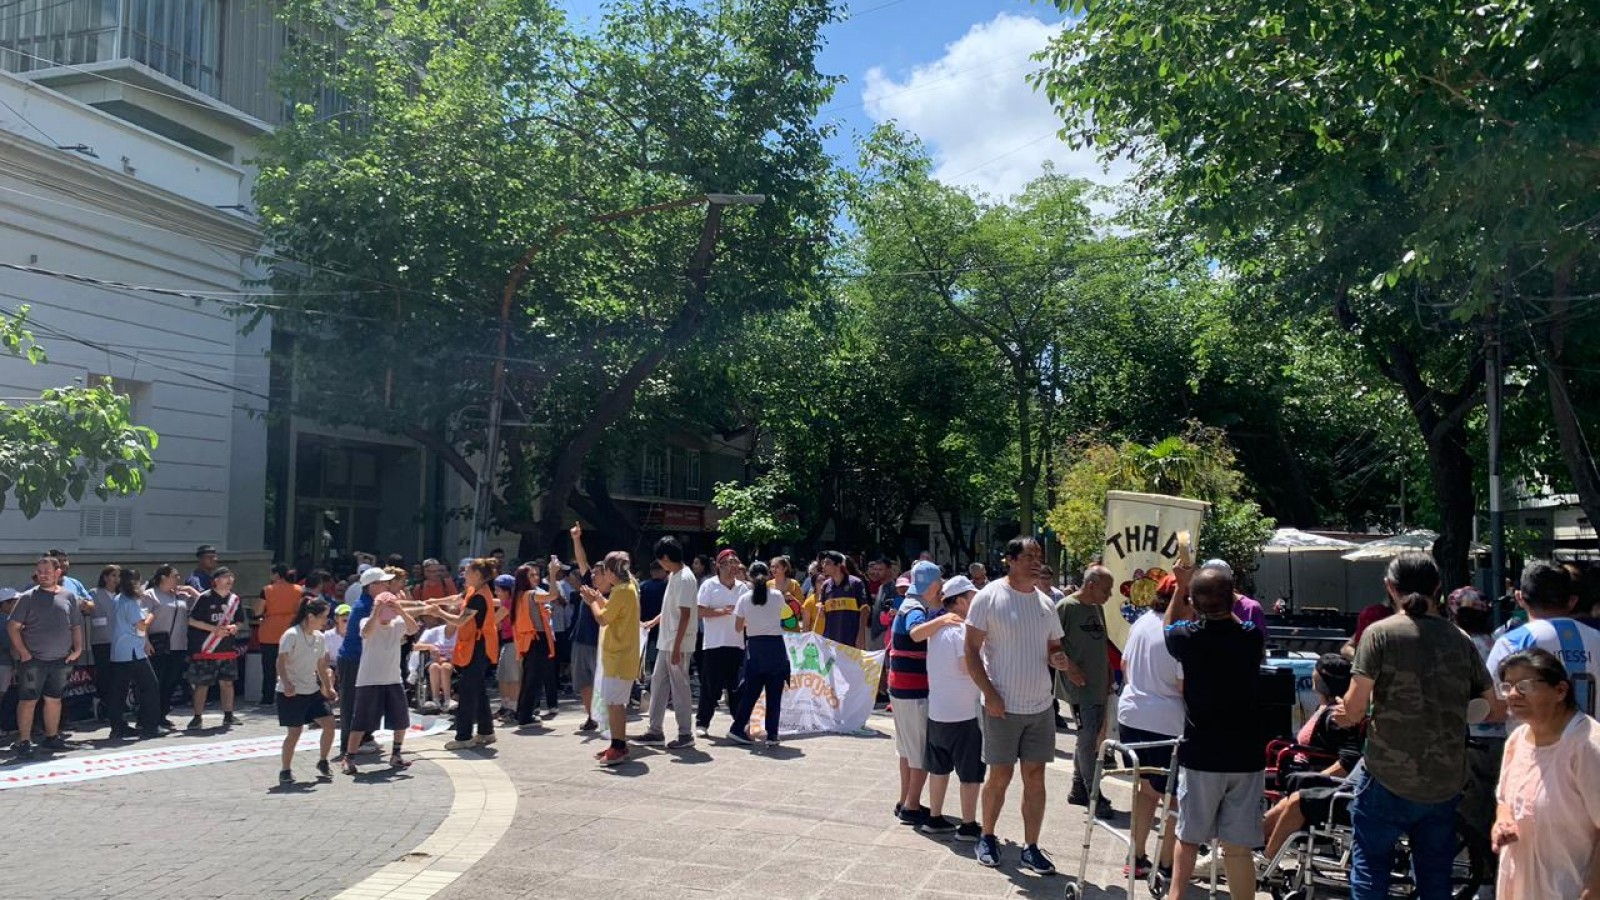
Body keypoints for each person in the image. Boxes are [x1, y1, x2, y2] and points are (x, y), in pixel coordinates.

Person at [1332, 552, 1501, 900]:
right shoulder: (1460, 639)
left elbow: (1354, 706)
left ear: (1389, 588)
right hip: (1444, 778)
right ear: (1438, 587)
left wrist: (1342, 715)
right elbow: (1494, 709)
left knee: (1370, 869)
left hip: (1386, 774)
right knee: (1436, 877)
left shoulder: (1379, 635)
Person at [964, 537, 1073, 873]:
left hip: (1040, 706)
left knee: (1036, 776)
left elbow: (1054, 645)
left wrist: (1059, 659)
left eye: (1038, 556)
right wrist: (990, 694)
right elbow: (970, 651)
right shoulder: (988, 597)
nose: (1036, 561)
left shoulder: (1046, 603)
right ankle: (987, 835)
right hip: (1002, 706)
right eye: (1028, 556)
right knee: (1000, 774)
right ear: (1009, 560)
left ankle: (1031, 846)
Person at [1160, 562, 1265, 900]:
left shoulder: (1186, 638)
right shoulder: (1251, 637)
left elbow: (1168, 626)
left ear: (1196, 602)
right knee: (1238, 847)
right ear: (1231, 600)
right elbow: (1237, 620)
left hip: (1202, 751)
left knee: (1188, 837)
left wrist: (1180, 585)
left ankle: (1176, 896)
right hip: (1245, 755)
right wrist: (1224, 600)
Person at [1491, 648, 1600, 899]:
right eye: (1507, 686)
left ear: (1560, 691)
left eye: (1525, 686)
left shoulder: (1587, 745)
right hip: (1521, 886)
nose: (1513, 695)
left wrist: (1593, 891)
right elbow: (1504, 799)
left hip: (1572, 888)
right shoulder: (1518, 740)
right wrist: (1503, 821)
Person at [1260, 654, 1365, 857]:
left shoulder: (1338, 716)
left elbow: (1349, 760)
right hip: (1300, 771)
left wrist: (1318, 779)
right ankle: (1240, 846)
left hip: (1318, 775)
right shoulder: (1325, 709)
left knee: (1294, 795)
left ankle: (1256, 854)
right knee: (1259, 778)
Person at [1117, 574, 1183, 880]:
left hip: (1132, 715)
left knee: (1144, 792)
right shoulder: (1178, 633)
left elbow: (1125, 666)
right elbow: (1185, 686)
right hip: (1166, 722)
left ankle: (1137, 856)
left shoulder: (1141, 622)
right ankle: (1167, 863)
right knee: (1173, 797)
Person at [915, 575, 984, 840]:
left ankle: (935, 817)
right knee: (970, 772)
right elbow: (967, 667)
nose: (975, 601)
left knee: (939, 768)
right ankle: (968, 824)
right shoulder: (961, 631)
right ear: (960, 601)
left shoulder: (938, 630)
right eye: (972, 597)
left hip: (939, 711)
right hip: (964, 714)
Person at [7, 557, 84, 757]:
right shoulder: (27, 597)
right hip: (34, 660)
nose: (43, 575)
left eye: (47, 572)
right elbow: (13, 626)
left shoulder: (68, 596)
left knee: (54, 699)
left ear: (58, 573)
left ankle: (52, 737)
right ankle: (24, 740)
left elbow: (76, 624)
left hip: (61, 659)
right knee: (28, 700)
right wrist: (23, 652)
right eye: (40, 572)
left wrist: (78, 648)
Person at [887, 560, 943, 824]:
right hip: (914, 690)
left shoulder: (905, 606)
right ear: (931, 585)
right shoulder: (915, 609)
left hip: (900, 687)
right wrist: (945, 621)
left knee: (907, 750)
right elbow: (916, 632)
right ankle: (912, 805)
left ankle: (904, 799)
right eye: (939, 583)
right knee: (919, 752)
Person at [343, 583, 418, 775]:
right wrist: (376, 612)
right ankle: (349, 757)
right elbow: (366, 632)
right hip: (369, 680)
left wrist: (400, 608)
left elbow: (413, 628)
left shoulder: (398, 624)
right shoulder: (366, 621)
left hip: (393, 679)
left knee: (401, 720)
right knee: (360, 721)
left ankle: (397, 754)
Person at [1058, 565, 1115, 819]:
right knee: (1089, 738)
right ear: (1091, 585)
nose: (1110, 595)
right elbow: (1051, 643)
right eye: (1106, 589)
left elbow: (1101, 643)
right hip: (1080, 686)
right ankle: (1093, 792)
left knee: (1089, 737)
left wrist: (1109, 671)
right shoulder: (1067, 608)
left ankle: (1079, 787)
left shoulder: (1097, 608)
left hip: (1098, 684)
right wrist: (1070, 669)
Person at [428, 558, 500, 750]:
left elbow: (460, 621)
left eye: (467, 571)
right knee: (478, 689)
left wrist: (439, 613)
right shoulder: (472, 590)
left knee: (467, 690)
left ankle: (464, 736)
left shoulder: (479, 596)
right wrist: (437, 601)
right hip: (474, 645)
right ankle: (486, 732)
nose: (464, 574)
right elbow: (456, 599)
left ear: (477, 575)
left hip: (480, 647)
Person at [635, 537, 699, 750]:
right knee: (658, 683)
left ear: (665, 558)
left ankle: (685, 733)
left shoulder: (686, 578)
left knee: (680, 687)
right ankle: (655, 730)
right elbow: (671, 608)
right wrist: (654, 622)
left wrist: (678, 646)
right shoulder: (675, 575)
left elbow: (686, 615)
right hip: (667, 640)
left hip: (676, 642)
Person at [580, 550, 640, 766]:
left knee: (615, 704)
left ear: (610, 571)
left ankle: (619, 746)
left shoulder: (623, 590)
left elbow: (603, 618)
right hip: (621, 656)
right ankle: (617, 743)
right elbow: (614, 612)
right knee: (615, 703)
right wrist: (599, 598)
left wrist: (591, 602)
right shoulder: (627, 587)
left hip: (619, 657)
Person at [727, 561, 796, 747]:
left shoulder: (744, 599)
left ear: (749, 576)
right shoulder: (777, 596)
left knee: (750, 693)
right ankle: (772, 735)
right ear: (768, 576)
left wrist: (752, 623)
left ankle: (737, 727)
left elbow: (737, 627)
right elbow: (786, 620)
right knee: (774, 695)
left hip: (755, 648)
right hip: (775, 648)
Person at [276, 597, 337, 783]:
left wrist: (328, 687)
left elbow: (320, 665)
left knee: (329, 724)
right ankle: (285, 769)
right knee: (294, 732)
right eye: (324, 617)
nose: (326, 621)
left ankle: (323, 760)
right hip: (292, 692)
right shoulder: (291, 635)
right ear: (310, 616)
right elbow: (281, 661)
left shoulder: (319, 637)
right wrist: (286, 683)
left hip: (312, 690)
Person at [105, 568, 162, 740]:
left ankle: (117, 726)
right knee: (150, 687)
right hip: (133, 652)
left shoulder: (117, 599)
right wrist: (151, 616)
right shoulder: (130, 602)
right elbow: (141, 626)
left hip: (118, 651)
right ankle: (150, 725)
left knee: (118, 691)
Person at [186, 566, 244, 731]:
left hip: (227, 648)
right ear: (216, 580)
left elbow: (240, 620)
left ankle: (228, 715)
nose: (230, 581)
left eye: (231, 578)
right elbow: (192, 620)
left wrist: (235, 627)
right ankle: (197, 717)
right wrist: (213, 629)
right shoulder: (205, 598)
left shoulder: (235, 600)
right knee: (202, 684)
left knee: (227, 683)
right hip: (207, 649)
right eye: (226, 577)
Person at [338, 566, 388, 755]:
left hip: (366, 659)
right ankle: (347, 745)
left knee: (368, 700)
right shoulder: (365, 606)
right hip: (353, 659)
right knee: (351, 703)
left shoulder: (374, 602)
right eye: (383, 583)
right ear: (372, 586)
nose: (386, 586)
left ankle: (365, 737)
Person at [696, 549, 746, 737]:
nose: (735, 566)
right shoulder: (709, 585)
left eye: (736, 562)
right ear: (720, 565)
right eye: (730, 562)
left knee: (736, 686)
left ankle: (740, 722)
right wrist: (721, 612)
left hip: (736, 642)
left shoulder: (742, 587)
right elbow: (700, 611)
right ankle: (702, 722)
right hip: (714, 643)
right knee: (710, 685)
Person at [144, 565, 196, 728]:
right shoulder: (150, 594)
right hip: (158, 645)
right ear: (163, 577)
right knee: (157, 682)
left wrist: (191, 591)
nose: (178, 579)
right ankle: (149, 717)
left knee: (171, 682)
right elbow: (142, 620)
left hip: (178, 645)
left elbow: (203, 602)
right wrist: (145, 641)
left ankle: (162, 714)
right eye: (175, 576)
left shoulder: (180, 596)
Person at [513, 561, 562, 725]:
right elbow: (553, 595)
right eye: (532, 575)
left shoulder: (520, 594)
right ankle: (525, 716)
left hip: (531, 640)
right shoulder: (530, 594)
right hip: (536, 639)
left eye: (536, 574)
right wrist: (553, 575)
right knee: (533, 679)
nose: (536, 577)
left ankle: (523, 713)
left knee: (529, 678)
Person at [568, 525, 601, 731]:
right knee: (584, 682)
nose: (593, 574)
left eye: (598, 571)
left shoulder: (614, 591)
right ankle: (591, 716)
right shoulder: (589, 581)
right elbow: (581, 560)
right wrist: (576, 539)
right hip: (581, 639)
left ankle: (603, 716)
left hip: (600, 642)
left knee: (600, 682)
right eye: (594, 571)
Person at [254, 564, 302, 706]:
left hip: (270, 631)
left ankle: (267, 698)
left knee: (269, 667)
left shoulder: (267, 590)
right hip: (290, 630)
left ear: (276, 575)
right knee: (291, 665)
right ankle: (292, 694)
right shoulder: (298, 590)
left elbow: (257, 611)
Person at [815, 550, 872, 649]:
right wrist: (820, 607)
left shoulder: (856, 583)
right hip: (831, 639)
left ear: (838, 565)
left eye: (827, 563)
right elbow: (821, 605)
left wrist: (861, 635)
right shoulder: (826, 585)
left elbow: (865, 610)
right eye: (823, 563)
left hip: (852, 638)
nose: (823, 566)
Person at [86, 564, 119, 722]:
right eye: (113, 575)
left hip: (119, 641)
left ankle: (115, 707)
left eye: (118, 576)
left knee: (117, 676)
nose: (116, 579)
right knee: (104, 675)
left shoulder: (122, 595)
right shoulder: (95, 593)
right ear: (105, 577)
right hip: (102, 641)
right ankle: (101, 706)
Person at [492, 573, 522, 723]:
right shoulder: (507, 601)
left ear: (507, 590)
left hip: (514, 643)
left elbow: (493, 620)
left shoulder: (509, 604)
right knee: (503, 676)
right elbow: (494, 601)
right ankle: (505, 705)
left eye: (498, 590)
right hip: (507, 643)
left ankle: (513, 708)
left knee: (513, 677)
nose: (496, 593)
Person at [415, 615, 457, 712]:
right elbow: (416, 646)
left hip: (453, 662)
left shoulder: (462, 632)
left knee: (445, 667)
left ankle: (447, 699)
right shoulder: (433, 631)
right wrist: (430, 647)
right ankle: (435, 700)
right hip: (434, 661)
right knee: (435, 667)